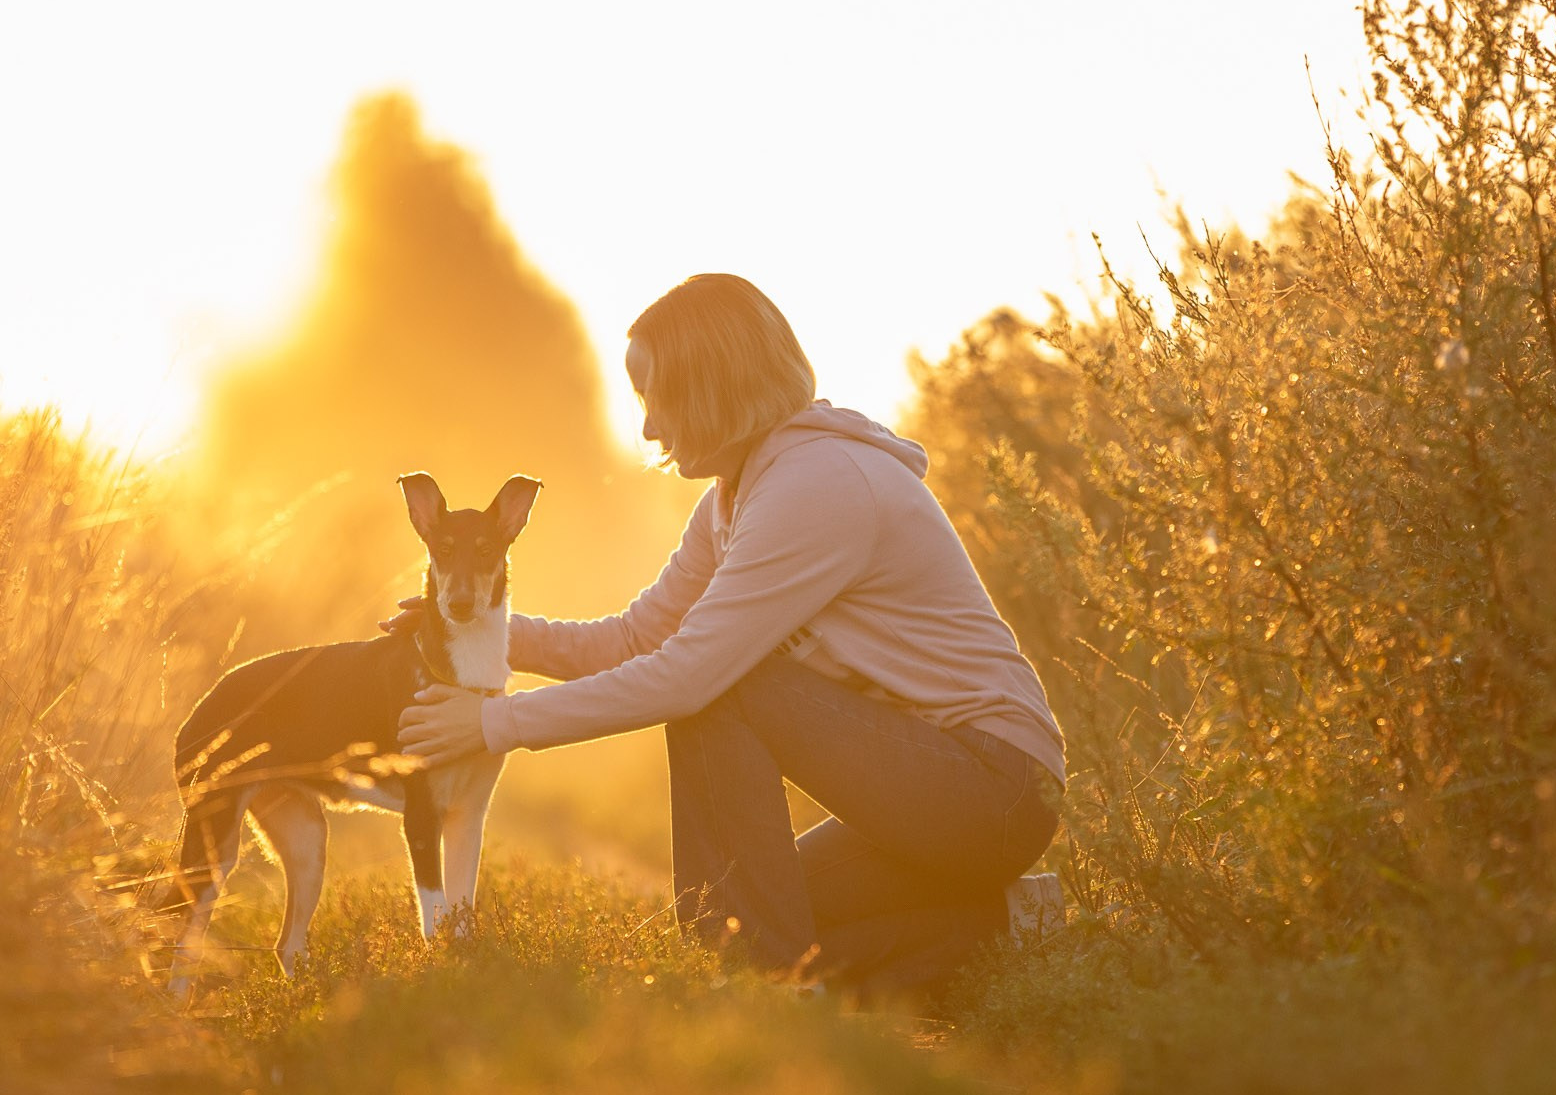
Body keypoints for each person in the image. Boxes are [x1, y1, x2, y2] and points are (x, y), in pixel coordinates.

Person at [395, 272, 1064, 996]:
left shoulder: (817, 483)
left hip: (993, 787)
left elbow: (686, 675)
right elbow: (633, 640)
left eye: (654, 397)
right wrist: (488, 633)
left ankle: (768, 996)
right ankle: (1001, 928)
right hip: (923, 791)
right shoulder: (736, 497)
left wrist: (493, 721)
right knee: (729, 922)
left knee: (723, 700)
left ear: (709, 384)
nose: (648, 426)